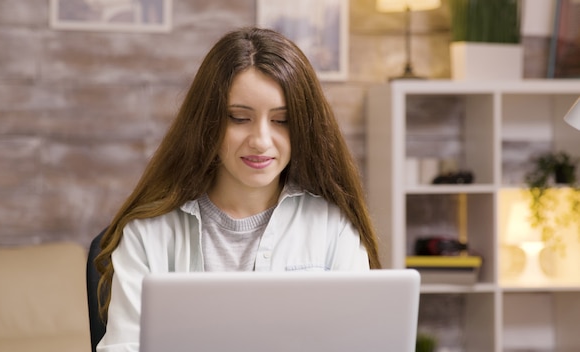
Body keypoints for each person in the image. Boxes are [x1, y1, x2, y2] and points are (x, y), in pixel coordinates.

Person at [94, 26, 381, 352]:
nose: (260, 141)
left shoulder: (334, 228)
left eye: (281, 120)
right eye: (239, 118)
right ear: (207, 122)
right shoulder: (147, 234)